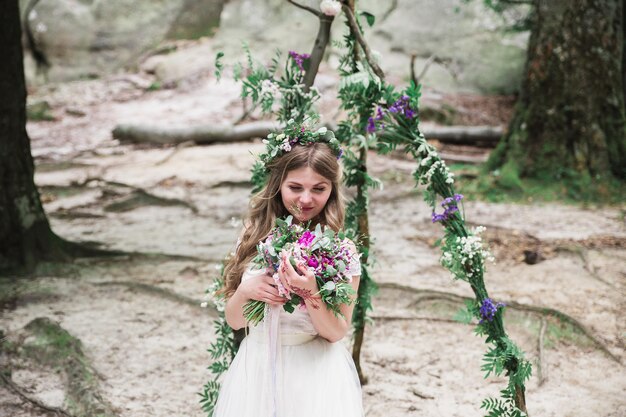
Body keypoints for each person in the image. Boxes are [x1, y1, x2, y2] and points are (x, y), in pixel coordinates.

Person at [213, 127, 363, 417]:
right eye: (295, 188)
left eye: (319, 188)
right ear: (278, 185)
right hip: (256, 367)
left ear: (332, 189)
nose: (306, 199)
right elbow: (234, 320)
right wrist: (246, 291)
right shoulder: (252, 237)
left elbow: (336, 332)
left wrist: (310, 292)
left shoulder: (343, 251)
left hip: (313, 372)